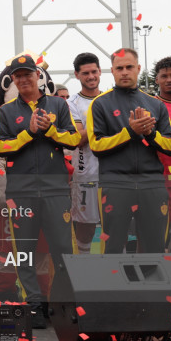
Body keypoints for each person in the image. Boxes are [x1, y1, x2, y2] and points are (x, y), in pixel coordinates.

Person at [0, 54, 80, 328]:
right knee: (26, 251)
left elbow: (75, 138)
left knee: (63, 250)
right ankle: (35, 304)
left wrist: (51, 130)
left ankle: (62, 304)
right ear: (13, 80)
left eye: (27, 74)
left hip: (55, 190)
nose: (22, 79)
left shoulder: (58, 104)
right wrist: (28, 133)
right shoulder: (6, 111)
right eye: (17, 75)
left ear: (37, 76)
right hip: (21, 192)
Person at [87, 48, 171, 254]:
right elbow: (96, 145)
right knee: (113, 247)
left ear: (138, 69)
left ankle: (152, 287)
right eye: (120, 68)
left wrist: (150, 134)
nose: (125, 72)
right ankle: (114, 286)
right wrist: (130, 131)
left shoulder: (156, 104)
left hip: (152, 184)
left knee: (155, 247)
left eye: (129, 67)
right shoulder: (100, 104)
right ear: (112, 71)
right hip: (115, 184)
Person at [67, 53, 102, 255]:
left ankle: (115, 276)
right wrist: (102, 121)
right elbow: (78, 138)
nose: (91, 76)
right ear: (77, 75)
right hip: (85, 174)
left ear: (100, 72)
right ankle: (84, 271)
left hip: (113, 173)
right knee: (86, 227)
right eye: (85, 73)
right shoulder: (71, 103)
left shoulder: (110, 98)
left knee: (114, 227)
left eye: (94, 72)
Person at [153, 56, 171, 252]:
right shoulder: (150, 105)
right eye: (164, 76)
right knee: (159, 231)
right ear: (157, 80)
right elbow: (145, 140)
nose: (169, 79)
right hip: (163, 179)